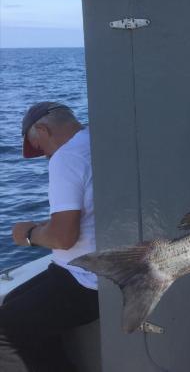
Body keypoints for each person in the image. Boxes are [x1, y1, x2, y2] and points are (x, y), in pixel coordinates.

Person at [0, 102, 98, 372]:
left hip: (85, 281)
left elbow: (64, 237)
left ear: (43, 129)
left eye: (40, 147)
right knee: (11, 304)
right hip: (95, 271)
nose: (45, 157)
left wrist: (28, 234)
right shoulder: (96, 140)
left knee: (3, 331)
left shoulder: (66, 157)